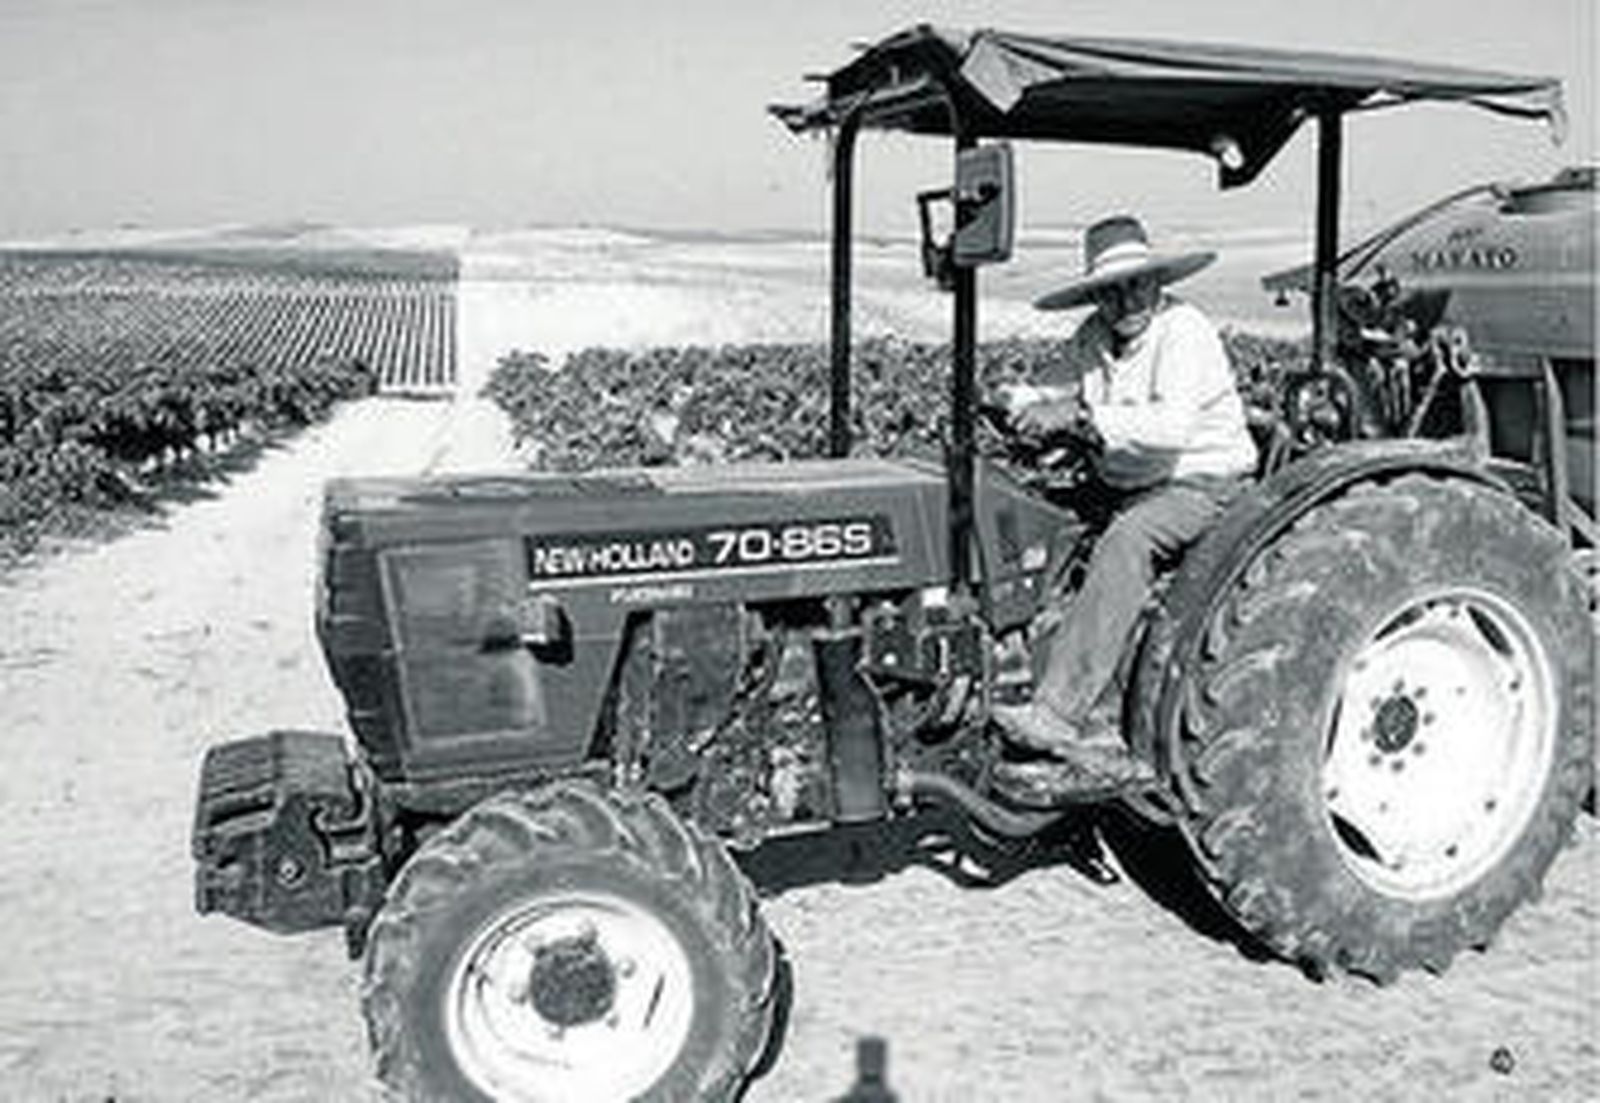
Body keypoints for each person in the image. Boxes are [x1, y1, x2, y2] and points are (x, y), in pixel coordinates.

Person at [991, 214, 1258, 805]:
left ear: (1156, 283)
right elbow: (1051, 386)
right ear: (1097, 296)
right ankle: (1013, 662)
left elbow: (1169, 429)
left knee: (1127, 541)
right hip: (1127, 483)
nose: (1126, 300)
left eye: (1136, 285)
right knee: (1036, 526)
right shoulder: (1094, 337)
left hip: (1202, 484)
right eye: (1111, 291)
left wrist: (1080, 416)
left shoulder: (1183, 330)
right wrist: (1016, 399)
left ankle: (1060, 713)